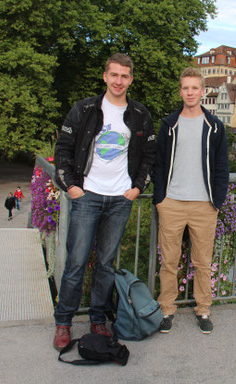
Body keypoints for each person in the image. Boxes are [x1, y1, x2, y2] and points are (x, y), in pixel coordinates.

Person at [52, 53, 155, 350]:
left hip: (121, 198)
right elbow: (64, 150)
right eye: (114, 75)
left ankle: (98, 318)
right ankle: (64, 323)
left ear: (131, 79)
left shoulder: (139, 114)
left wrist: (136, 188)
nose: (119, 81)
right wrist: (71, 186)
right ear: (105, 77)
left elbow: (148, 156)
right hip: (88, 195)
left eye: (124, 76)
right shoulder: (84, 109)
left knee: (106, 264)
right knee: (76, 262)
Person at [153, 67, 229, 334]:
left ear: (202, 91)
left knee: (202, 262)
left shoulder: (215, 126)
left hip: (204, 205)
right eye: (185, 88)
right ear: (180, 90)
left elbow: (222, 167)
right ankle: (167, 310)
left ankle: (203, 310)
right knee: (169, 261)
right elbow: (159, 163)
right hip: (172, 202)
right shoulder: (169, 125)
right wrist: (160, 198)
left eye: (194, 88)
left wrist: (217, 200)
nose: (190, 92)